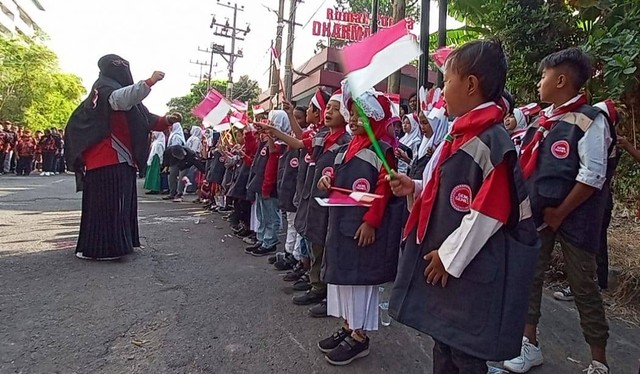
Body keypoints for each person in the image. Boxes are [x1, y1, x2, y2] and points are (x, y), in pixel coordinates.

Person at [388, 40, 540, 374]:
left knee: (465, 352)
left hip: (469, 268)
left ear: (470, 85)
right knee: (443, 340)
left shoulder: (492, 141)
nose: (441, 92)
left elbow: (488, 212)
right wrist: (413, 186)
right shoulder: (460, 134)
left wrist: (447, 256)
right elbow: (443, 189)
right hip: (453, 266)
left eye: (446, 82)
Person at [505, 47, 613, 374]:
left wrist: (561, 213)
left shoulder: (591, 119)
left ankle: (599, 360)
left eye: (543, 76)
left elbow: (593, 176)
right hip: (540, 215)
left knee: (583, 284)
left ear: (561, 80)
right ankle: (529, 344)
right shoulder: (544, 119)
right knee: (530, 277)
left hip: (575, 218)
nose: (539, 82)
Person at [317, 88, 403, 366]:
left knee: (360, 282)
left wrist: (371, 222)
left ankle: (359, 336)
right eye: (351, 115)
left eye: (360, 116)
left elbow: (384, 190)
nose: (352, 120)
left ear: (376, 119)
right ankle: (347, 326)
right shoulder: (346, 147)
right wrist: (327, 176)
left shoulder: (384, 151)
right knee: (343, 279)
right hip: (341, 223)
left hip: (361, 227)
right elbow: (333, 170)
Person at [64, 54, 179, 260]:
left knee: (121, 204)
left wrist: (166, 119)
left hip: (122, 159)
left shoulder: (126, 97)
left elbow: (145, 118)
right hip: (106, 156)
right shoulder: (105, 88)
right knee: (107, 205)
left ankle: (121, 243)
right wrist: (149, 82)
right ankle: (102, 249)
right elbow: (119, 101)